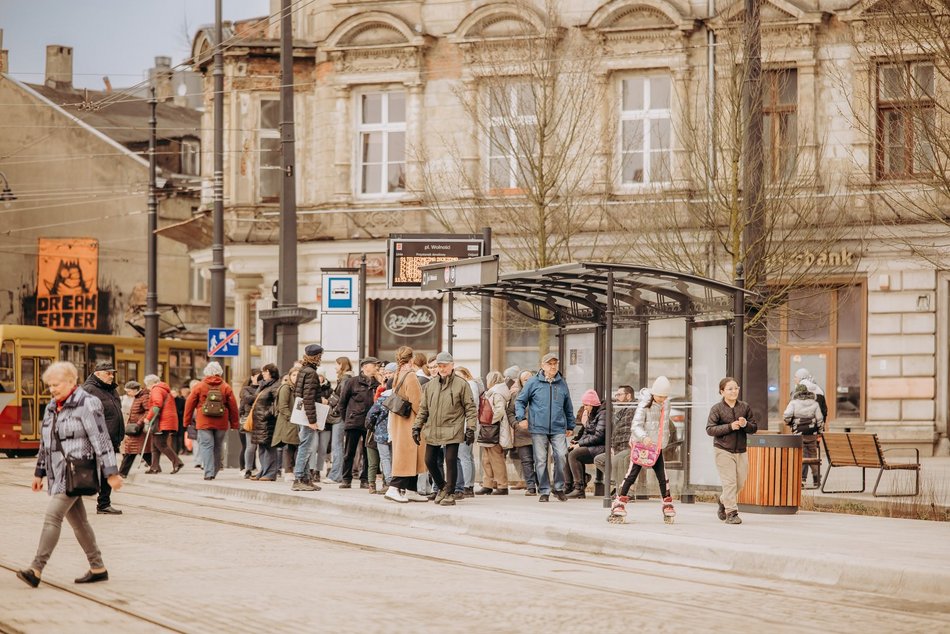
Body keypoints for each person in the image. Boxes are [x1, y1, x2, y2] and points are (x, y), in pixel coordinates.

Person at [16, 361, 123, 588]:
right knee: (79, 522)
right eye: (50, 385)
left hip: (78, 470)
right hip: (58, 471)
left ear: (72, 382)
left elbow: (100, 438)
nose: (52, 389)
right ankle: (98, 567)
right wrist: (39, 472)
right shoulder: (52, 407)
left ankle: (36, 568)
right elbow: (47, 442)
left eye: (57, 384)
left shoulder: (88, 403)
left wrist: (111, 472)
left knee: (52, 517)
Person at [412, 352, 477, 507]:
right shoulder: (430, 385)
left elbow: (470, 408)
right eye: (439, 366)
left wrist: (471, 428)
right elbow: (423, 409)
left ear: (452, 365)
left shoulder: (462, 384)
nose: (441, 368)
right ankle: (442, 487)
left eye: (444, 365)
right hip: (433, 428)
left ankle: (450, 493)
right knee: (429, 460)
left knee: (450, 460)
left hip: (453, 427)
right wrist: (416, 426)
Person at [609, 377, 676, 523]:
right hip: (642, 446)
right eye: (660, 396)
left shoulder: (666, 404)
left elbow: (664, 425)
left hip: (656, 446)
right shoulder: (644, 404)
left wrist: (663, 441)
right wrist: (644, 437)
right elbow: (635, 425)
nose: (662, 399)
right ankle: (619, 502)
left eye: (665, 397)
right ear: (654, 393)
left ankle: (667, 502)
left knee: (662, 475)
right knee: (632, 474)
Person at [515, 352, 575, 503]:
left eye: (555, 363)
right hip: (538, 427)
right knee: (541, 460)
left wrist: (570, 424)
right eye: (550, 364)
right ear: (542, 366)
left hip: (558, 427)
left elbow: (568, 405)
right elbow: (520, 401)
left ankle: (558, 488)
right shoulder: (533, 382)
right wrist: (521, 418)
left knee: (561, 456)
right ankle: (544, 490)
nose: (553, 366)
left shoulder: (562, 383)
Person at [707, 376, 758, 525]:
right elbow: (710, 429)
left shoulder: (744, 407)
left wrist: (745, 424)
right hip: (723, 450)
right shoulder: (717, 409)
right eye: (730, 389)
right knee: (729, 483)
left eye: (736, 388)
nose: (734, 391)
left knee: (740, 483)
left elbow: (754, 428)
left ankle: (723, 500)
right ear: (722, 392)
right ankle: (732, 513)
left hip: (741, 450)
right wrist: (730, 427)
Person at [183, 362, 240, 481]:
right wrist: (234, 423)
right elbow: (233, 406)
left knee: (206, 445)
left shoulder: (199, 386)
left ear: (206, 372)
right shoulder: (225, 387)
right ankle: (215, 470)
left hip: (204, 421)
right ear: (220, 372)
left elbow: (189, 404)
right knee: (218, 446)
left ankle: (208, 472)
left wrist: (186, 421)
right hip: (221, 422)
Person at [385, 346, 427, 503]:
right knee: (407, 456)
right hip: (410, 421)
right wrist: (424, 420)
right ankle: (394, 488)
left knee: (409, 455)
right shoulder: (410, 376)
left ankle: (411, 489)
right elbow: (418, 402)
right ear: (412, 358)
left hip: (399, 420)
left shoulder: (397, 374)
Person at [81, 361, 124, 514]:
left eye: (113, 373)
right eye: (108, 373)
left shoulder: (111, 389)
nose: (112, 376)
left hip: (110, 439)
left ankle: (104, 504)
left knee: (108, 470)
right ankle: (71, 503)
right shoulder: (89, 390)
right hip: (97, 440)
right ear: (98, 374)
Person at [338, 357, 380, 489]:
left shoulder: (377, 383)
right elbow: (342, 403)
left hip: (370, 424)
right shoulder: (352, 382)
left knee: (368, 453)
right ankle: (346, 479)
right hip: (354, 422)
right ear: (365, 367)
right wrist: (347, 419)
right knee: (349, 452)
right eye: (374, 365)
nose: (377, 368)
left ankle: (365, 479)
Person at [292, 345, 325, 492]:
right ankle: (299, 478)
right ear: (317, 357)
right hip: (307, 416)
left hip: (301, 414)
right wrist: (312, 420)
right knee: (305, 446)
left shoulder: (302, 371)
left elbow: (300, 395)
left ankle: (305, 478)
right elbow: (309, 398)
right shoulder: (311, 373)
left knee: (304, 445)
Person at [565, 389, 606, 499]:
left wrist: (580, 444)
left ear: (593, 404)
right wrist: (577, 442)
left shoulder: (603, 414)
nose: (585, 408)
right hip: (593, 446)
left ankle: (579, 488)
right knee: (568, 452)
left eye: (586, 405)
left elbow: (599, 436)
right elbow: (586, 432)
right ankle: (568, 486)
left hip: (602, 447)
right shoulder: (590, 414)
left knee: (574, 454)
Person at [593, 385, 636, 491]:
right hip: (618, 448)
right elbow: (615, 431)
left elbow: (626, 432)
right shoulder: (622, 410)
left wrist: (617, 448)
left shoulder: (634, 409)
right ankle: (617, 482)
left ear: (628, 396)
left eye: (619, 394)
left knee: (617, 459)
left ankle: (624, 492)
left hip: (629, 447)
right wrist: (612, 447)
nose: (617, 397)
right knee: (599, 460)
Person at [476, 370, 512, 495]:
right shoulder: (495, 392)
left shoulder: (496, 393)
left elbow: (499, 411)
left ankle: (502, 485)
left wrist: (489, 421)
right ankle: (488, 484)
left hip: (494, 429)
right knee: (486, 458)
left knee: (496, 458)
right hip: (491, 429)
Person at [142, 374, 184, 475]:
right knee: (154, 445)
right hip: (166, 420)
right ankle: (154, 467)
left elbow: (157, 404)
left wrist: (148, 418)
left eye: (147, 385)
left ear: (151, 383)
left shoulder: (156, 389)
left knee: (161, 444)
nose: (147, 388)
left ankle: (177, 462)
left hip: (162, 422)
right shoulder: (164, 389)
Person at [784, 383, 825, 488]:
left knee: (801, 456)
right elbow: (820, 420)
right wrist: (819, 431)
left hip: (798, 434)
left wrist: (790, 423)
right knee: (812, 455)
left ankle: (802, 480)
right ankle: (816, 478)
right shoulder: (815, 403)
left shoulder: (793, 403)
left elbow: (787, 416)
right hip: (812, 434)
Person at [454, 366, 482, 498]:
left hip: (466, 426)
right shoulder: (473, 385)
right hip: (470, 425)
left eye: (459, 375)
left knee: (463, 455)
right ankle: (469, 484)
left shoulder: (469, 386)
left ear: (466, 375)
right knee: (468, 456)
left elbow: (470, 407)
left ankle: (466, 485)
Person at [325, 357, 353, 483]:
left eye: (336, 364)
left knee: (337, 445)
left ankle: (336, 475)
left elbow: (342, 400)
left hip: (339, 417)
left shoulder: (345, 380)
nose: (335, 367)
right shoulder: (345, 379)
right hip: (341, 416)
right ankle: (338, 474)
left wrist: (334, 407)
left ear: (342, 365)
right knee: (338, 445)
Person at [250, 364, 281, 481]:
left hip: (267, 421)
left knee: (269, 447)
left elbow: (277, 404)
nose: (263, 373)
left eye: (265, 371)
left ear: (271, 373)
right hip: (259, 421)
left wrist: (266, 415)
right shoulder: (263, 385)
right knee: (261, 447)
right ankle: (263, 471)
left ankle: (270, 473)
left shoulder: (275, 386)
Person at [272, 365, 300, 480]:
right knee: (289, 445)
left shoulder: (298, 389)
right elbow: (282, 407)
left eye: (298, 375)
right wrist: (293, 417)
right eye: (293, 375)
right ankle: (288, 471)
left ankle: (293, 470)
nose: (296, 377)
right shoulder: (286, 388)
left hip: (295, 421)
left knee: (295, 445)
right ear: (289, 376)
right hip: (287, 421)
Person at [512, 370, 537, 495]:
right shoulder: (516, 395)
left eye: (529, 378)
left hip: (538, 432)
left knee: (539, 460)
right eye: (524, 379)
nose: (527, 381)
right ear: (521, 382)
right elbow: (510, 412)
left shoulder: (539, 393)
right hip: (522, 434)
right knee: (526, 461)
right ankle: (530, 486)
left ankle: (541, 484)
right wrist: (516, 424)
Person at [118, 380, 150, 477]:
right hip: (134, 428)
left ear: (135, 390)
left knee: (130, 450)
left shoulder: (144, 397)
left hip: (138, 428)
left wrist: (139, 423)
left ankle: (122, 472)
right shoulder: (138, 397)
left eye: (129, 391)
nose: (128, 393)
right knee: (139, 450)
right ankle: (154, 465)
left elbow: (148, 411)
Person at [310, 367, 334, 482]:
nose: (319, 378)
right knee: (313, 447)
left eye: (321, 376)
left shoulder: (330, 390)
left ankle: (318, 471)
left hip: (326, 423)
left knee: (323, 449)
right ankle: (311, 469)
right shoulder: (311, 389)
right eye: (317, 376)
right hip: (313, 422)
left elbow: (334, 403)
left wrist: (328, 402)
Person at [238, 370, 261, 478]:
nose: (259, 379)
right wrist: (260, 394)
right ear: (251, 377)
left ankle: (257, 468)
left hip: (261, 418)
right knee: (250, 446)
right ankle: (247, 468)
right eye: (257, 376)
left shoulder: (264, 388)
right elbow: (247, 399)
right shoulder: (246, 389)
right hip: (249, 419)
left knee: (261, 447)